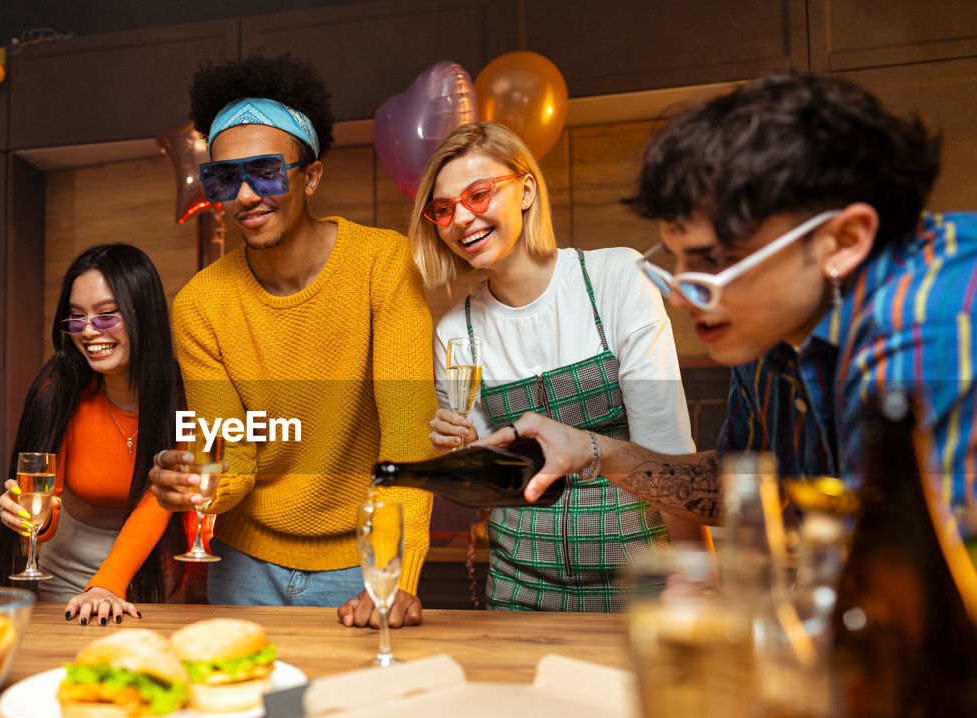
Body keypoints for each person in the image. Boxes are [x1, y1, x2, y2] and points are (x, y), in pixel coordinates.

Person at [475, 72, 977, 523]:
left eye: (714, 259)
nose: (682, 298)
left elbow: (918, 584)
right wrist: (592, 450)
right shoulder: (772, 327)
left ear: (842, 241)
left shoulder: (932, 320)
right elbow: (734, 485)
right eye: (676, 258)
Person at [148, 53, 436, 625]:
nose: (248, 196)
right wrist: (192, 484)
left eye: (268, 172)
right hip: (243, 563)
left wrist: (396, 577)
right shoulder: (200, 305)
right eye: (226, 178)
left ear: (312, 175)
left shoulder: (385, 265)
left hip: (361, 558)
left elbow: (407, 443)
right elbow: (236, 456)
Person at [410, 122, 701, 611]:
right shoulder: (455, 331)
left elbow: (667, 455)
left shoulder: (614, 279)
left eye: (478, 195)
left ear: (525, 191)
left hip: (638, 586)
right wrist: (460, 455)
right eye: (443, 209)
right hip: (517, 590)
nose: (461, 218)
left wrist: (700, 579)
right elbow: (492, 486)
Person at [0, 244, 186, 625]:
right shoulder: (59, 389)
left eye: (105, 315)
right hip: (67, 559)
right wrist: (28, 520)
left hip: (151, 560)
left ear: (142, 312)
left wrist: (111, 581)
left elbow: (158, 500)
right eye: (76, 317)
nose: (87, 331)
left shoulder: (179, 392)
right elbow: (47, 500)